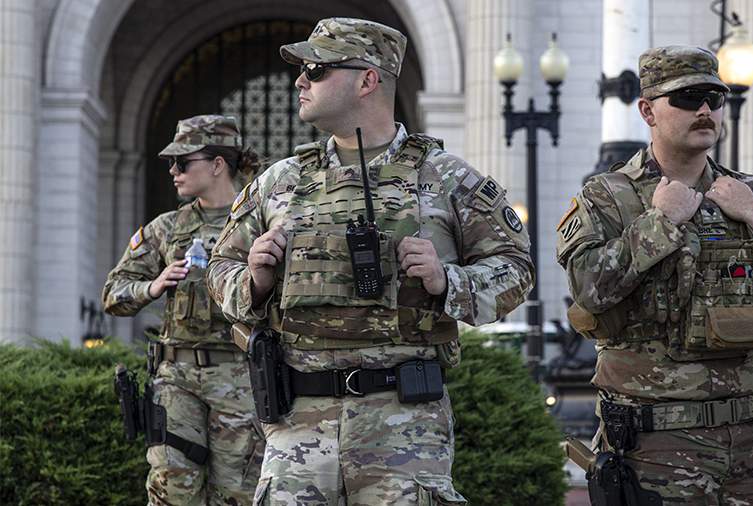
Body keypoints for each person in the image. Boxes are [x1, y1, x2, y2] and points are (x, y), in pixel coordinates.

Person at [207, 17, 534, 506]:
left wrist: (450, 282)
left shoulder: (445, 178)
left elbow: (516, 268)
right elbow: (218, 268)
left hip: (404, 430)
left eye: (316, 70)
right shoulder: (280, 182)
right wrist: (253, 280)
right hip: (297, 428)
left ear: (367, 79)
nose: (300, 81)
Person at [556, 46, 753, 504]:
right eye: (685, 98)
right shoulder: (608, 198)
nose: (704, 110)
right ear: (647, 110)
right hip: (656, 446)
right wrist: (659, 223)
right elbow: (587, 288)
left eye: (713, 98)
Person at [102, 115, 264, 505]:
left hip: (241, 378)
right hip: (177, 379)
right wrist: (153, 286)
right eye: (171, 163)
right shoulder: (166, 228)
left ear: (217, 164)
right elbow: (113, 294)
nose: (173, 171)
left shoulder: (259, 222)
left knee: (239, 493)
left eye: (182, 162)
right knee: (172, 489)